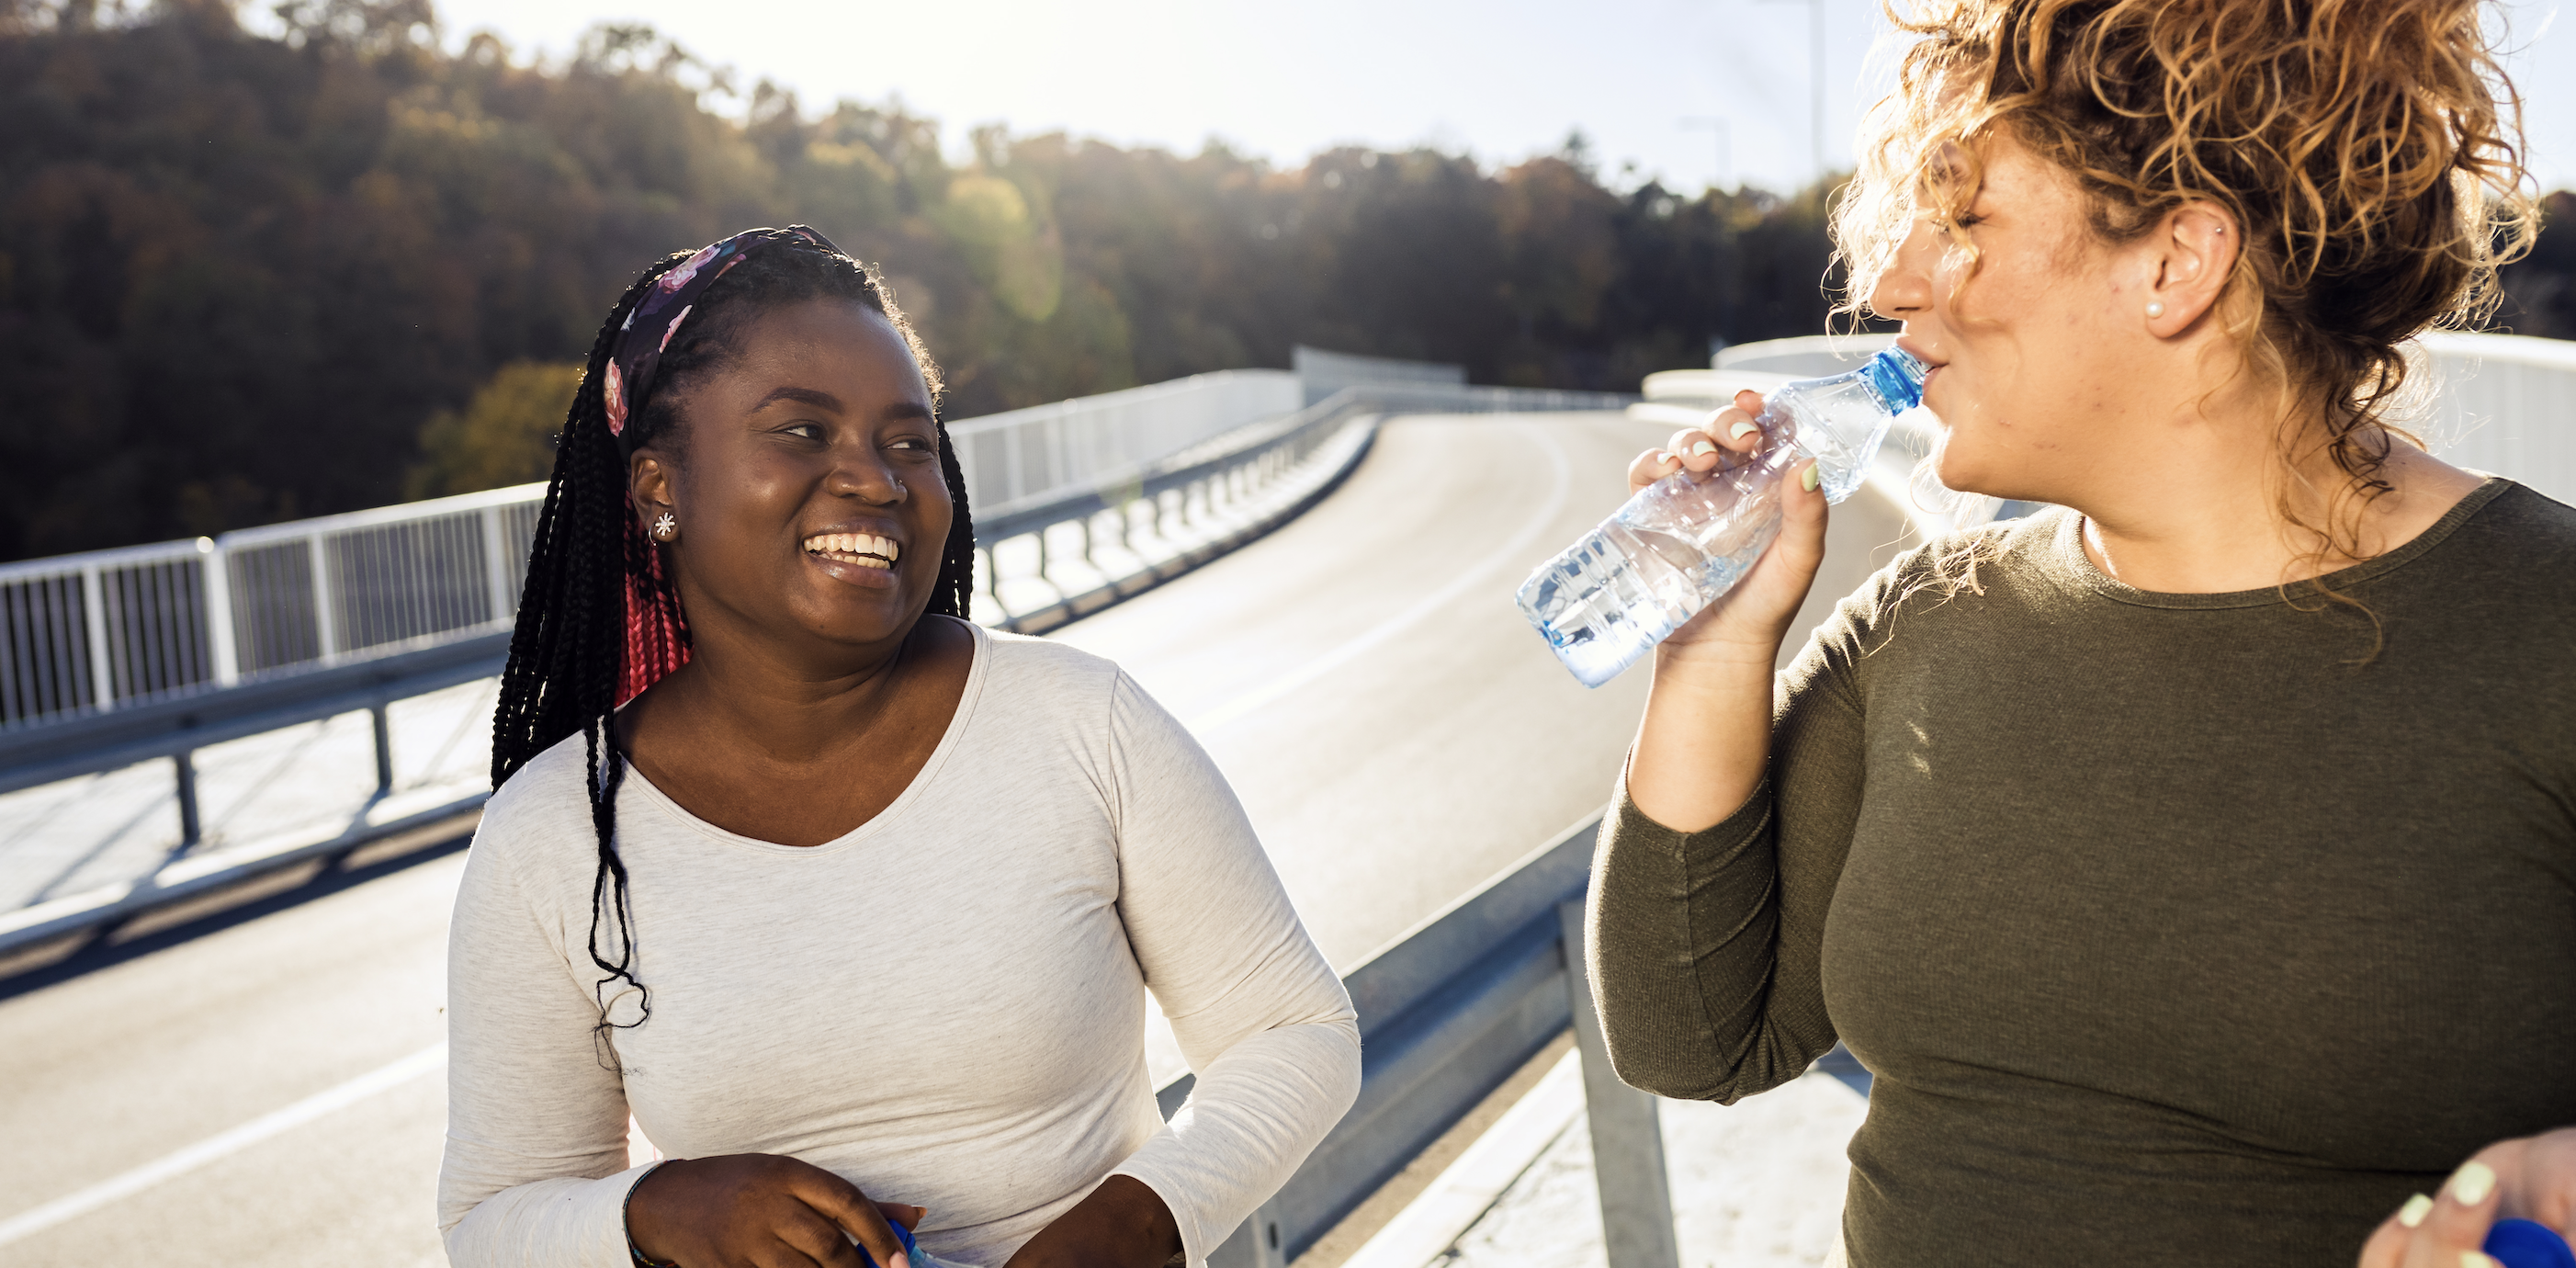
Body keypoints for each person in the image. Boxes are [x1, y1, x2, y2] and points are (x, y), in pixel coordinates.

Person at [1579, 2, 2574, 1265]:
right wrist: (1714, 646)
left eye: (1964, 222)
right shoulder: (1926, 625)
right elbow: (1690, 1037)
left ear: (2177, 262)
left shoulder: (2548, 631)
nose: (1889, 286)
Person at [436, 226, 1361, 1268]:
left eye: (909, 441)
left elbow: (1295, 1035)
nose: (875, 480)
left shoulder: (1082, 725)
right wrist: (657, 1213)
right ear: (658, 489)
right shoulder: (556, 837)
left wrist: (1136, 1223)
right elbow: (490, 1222)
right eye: (800, 431)